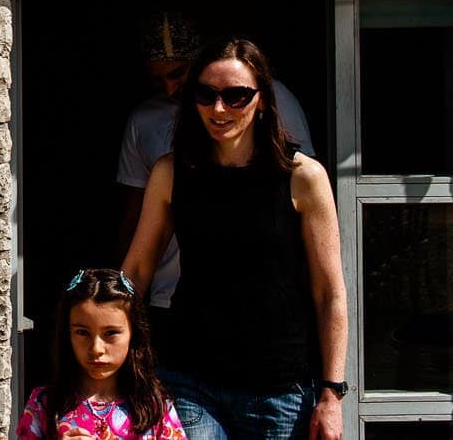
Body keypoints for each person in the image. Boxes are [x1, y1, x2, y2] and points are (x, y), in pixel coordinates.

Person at [123, 39, 348, 440]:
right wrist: (107, 352)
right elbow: (137, 270)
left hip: (278, 387)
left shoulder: (302, 177)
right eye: (205, 95)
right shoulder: (172, 172)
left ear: (262, 101)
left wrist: (332, 393)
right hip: (189, 377)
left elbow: (329, 291)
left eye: (236, 96)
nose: (219, 109)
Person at [115, 14, 314, 336]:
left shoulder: (279, 122)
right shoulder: (159, 149)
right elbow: (134, 220)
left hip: (267, 310)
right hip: (176, 296)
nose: (219, 110)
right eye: (206, 97)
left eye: (178, 74)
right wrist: (117, 316)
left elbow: (297, 198)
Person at [18, 268, 185, 440]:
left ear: (133, 334)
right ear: (67, 335)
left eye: (111, 333)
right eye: (83, 333)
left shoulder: (155, 407)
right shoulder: (44, 404)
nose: (96, 349)